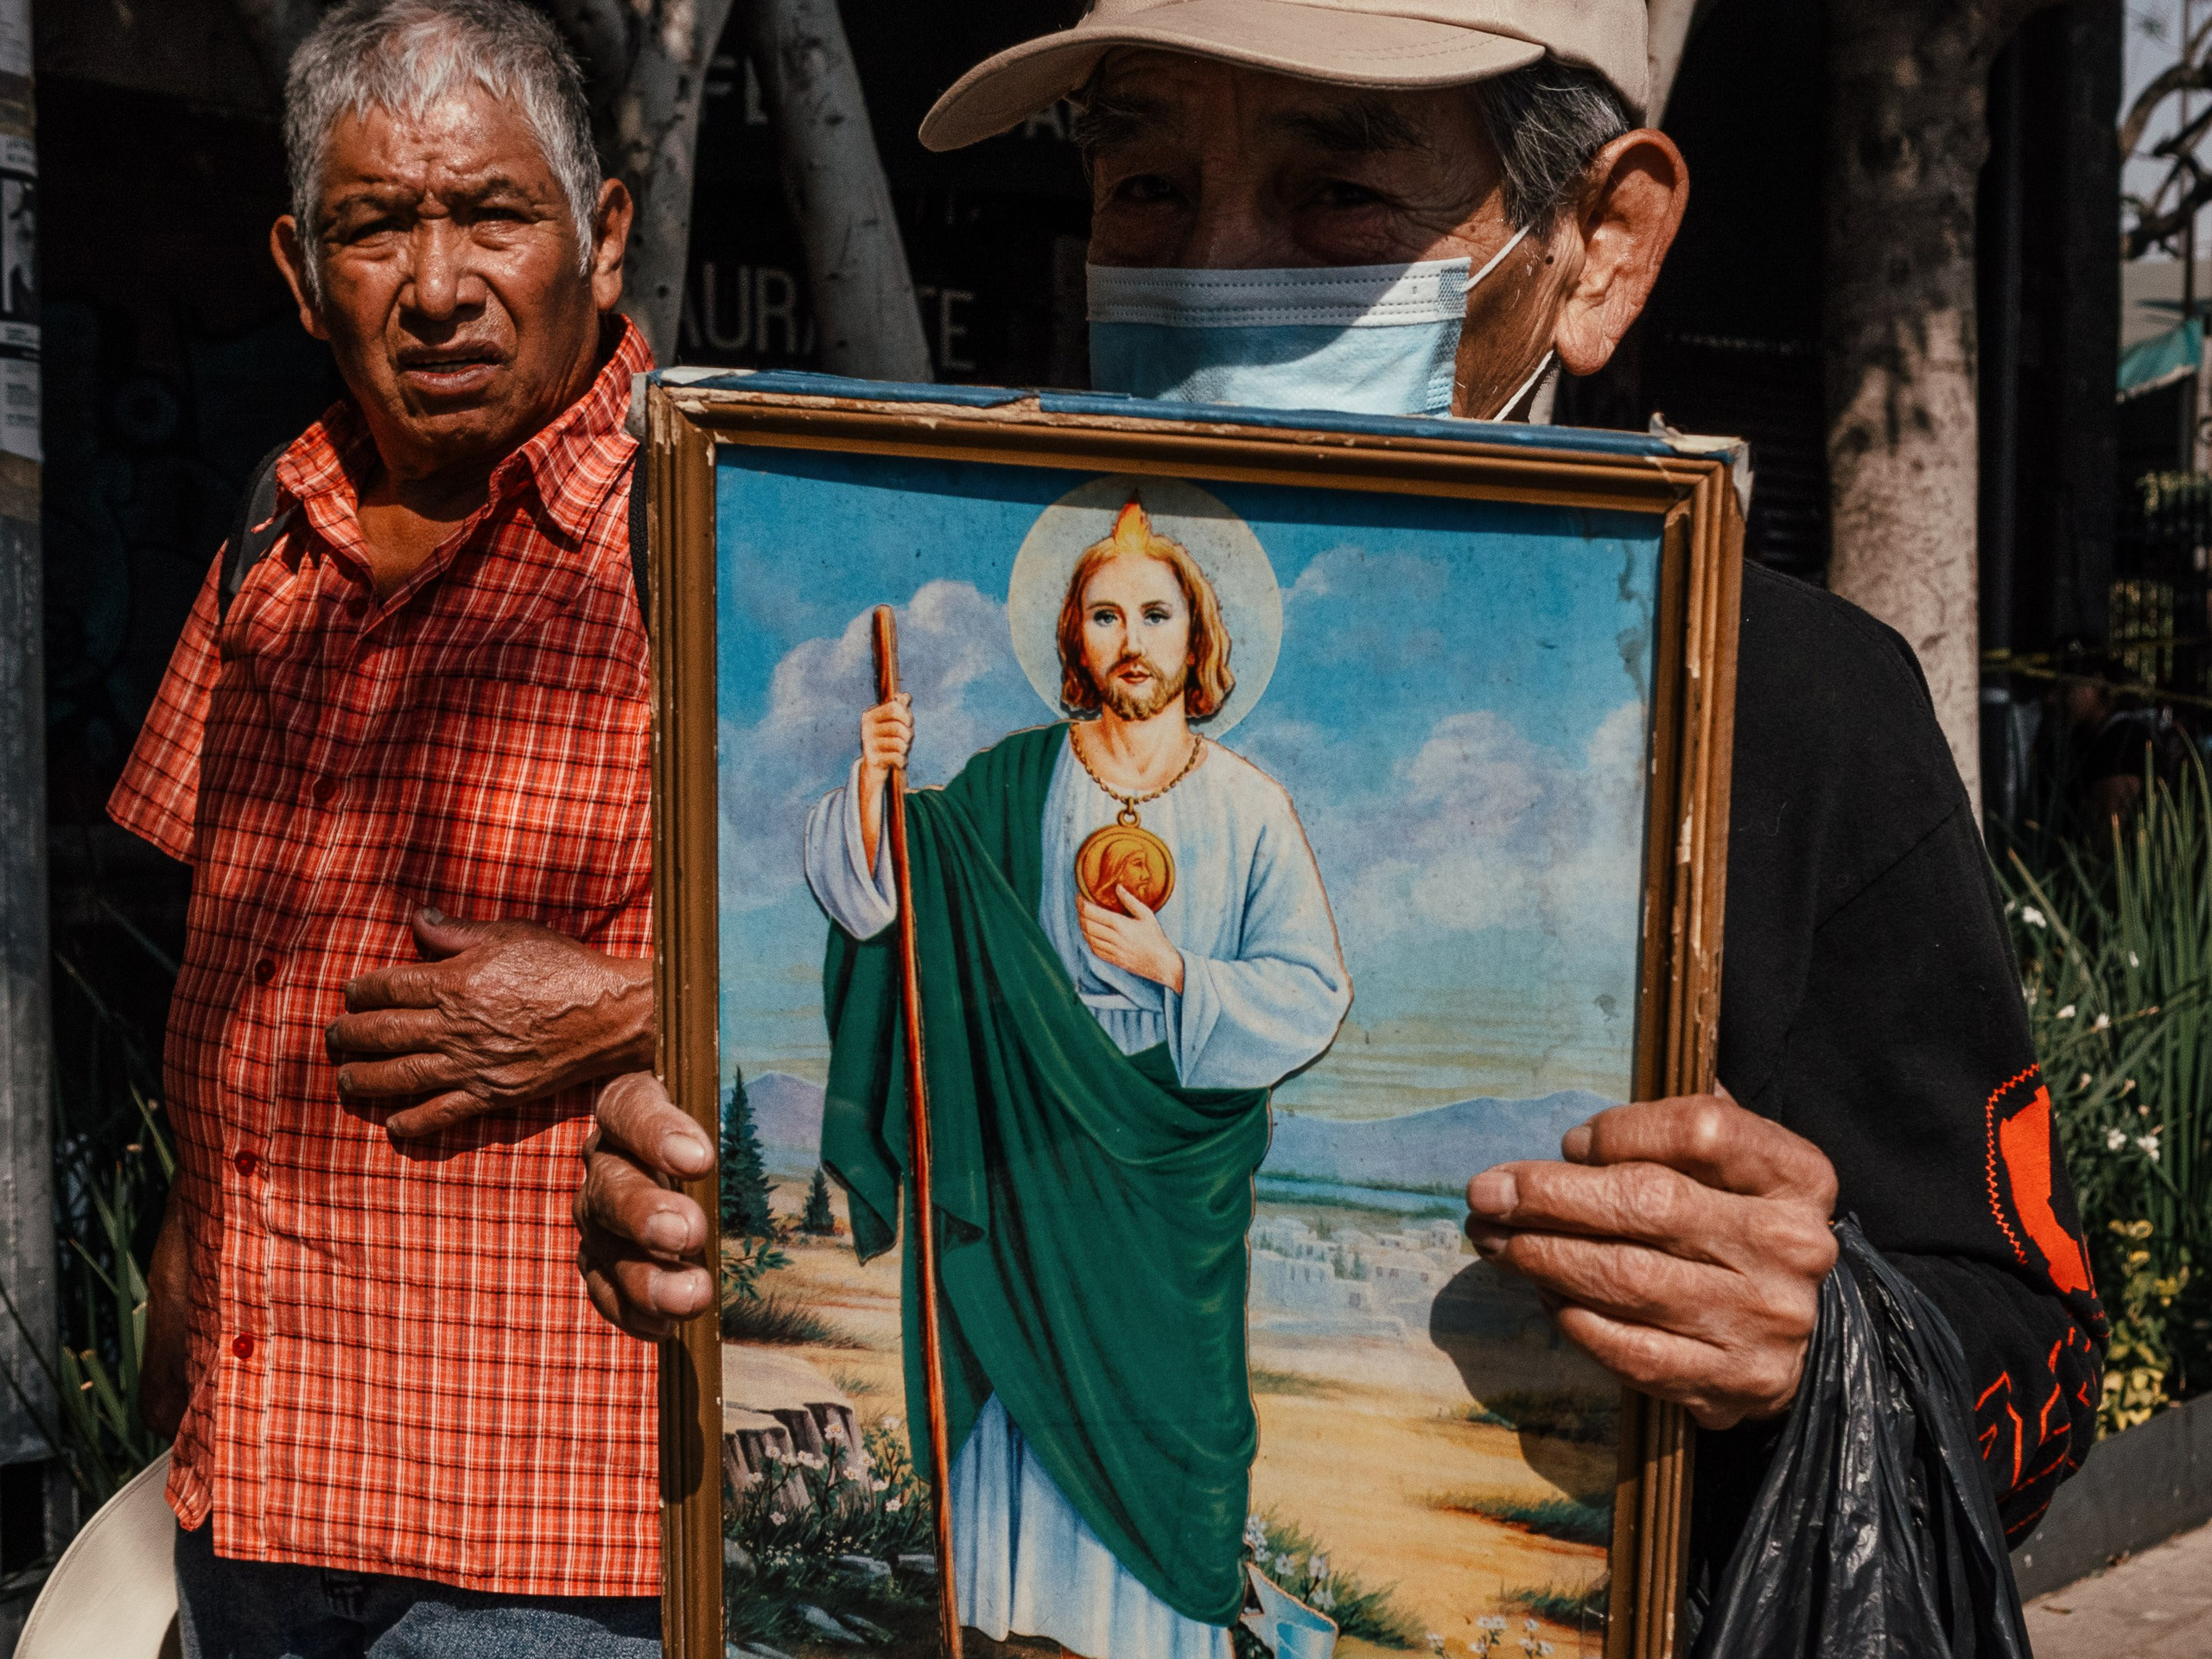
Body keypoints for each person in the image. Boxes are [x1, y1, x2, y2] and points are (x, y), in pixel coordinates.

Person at [578, 0, 2105, 1639]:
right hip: (1026, 1266)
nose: (1219, 270)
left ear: (1602, 246)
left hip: (1186, 1246)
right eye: (1148, 187)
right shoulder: (1000, 745)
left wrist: (1816, 1334)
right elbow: (899, 907)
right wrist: (683, 1195)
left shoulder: (1794, 705)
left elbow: (2039, 1361)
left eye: (1340, 199)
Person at [111, 2, 670, 1651]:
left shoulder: (721, 532)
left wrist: (631, 1004)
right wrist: (171, 1321)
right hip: (252, 1505)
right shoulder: (272, 535)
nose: (436, 286)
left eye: (492, 214)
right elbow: (225, 968)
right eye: (375, 228)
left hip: (553, 1559)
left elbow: (943, 966)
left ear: (605, 236)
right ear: (301, 270)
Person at [801, 494, 1349, 1654]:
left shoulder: (1250, 806)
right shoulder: (1011, 783)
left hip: (1166, 1170)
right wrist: (874, 785)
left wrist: (1179, 971)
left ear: (1199, 642)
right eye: (1105, 614)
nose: (1132, 638)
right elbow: (889, 897)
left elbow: (1312, 990)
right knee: (1025, 1398)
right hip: (1029, 1159)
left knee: (1181, 1415)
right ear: (1074, 638)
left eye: (1157, 613)